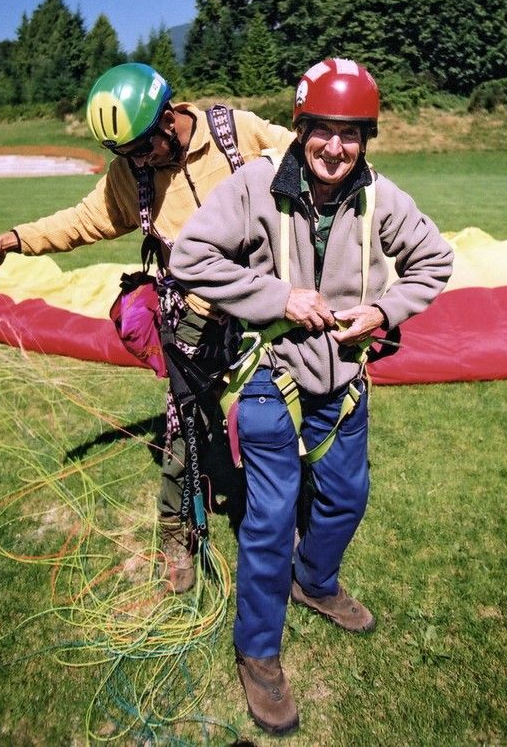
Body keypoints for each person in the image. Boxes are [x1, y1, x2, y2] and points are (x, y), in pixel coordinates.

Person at [169, 57, 454, 735]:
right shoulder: (256, 186)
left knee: (347, 495)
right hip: (271, 375)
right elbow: (190, 258)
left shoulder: (381, 199)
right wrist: (277, 297)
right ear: (299, 128)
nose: (335, 146)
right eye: (322, 130)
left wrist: (385, 312)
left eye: (351, 133)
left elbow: (434, 260)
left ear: (367, 138)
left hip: (346, 379)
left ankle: (315, 580)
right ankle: (258, 652)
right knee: (268, 518)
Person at [0, 62, 293, 593]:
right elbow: (81, 220)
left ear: (168, 118)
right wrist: (9, 239)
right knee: (183, 427)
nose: (138, 160)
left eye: (143, 146)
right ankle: (176, 535)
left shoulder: (234, 132)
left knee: (274, 417)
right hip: (197, 316)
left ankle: (281, 524)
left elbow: (303, 155)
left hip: (267, 305)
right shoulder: (130, 174)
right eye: (126, 154)